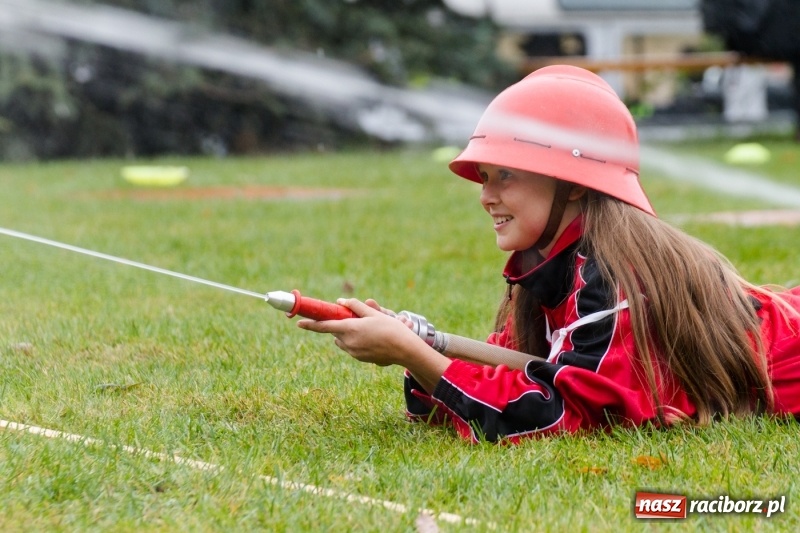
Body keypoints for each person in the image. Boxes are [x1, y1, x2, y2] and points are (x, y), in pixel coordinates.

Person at [298, 65, 800, 443]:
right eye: (486, 177)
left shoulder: (614, 280)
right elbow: (507, 378)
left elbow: (554, 415)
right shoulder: (555, 263)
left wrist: (413, 354)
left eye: (506, 175)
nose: (485, 195)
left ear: (574, 186)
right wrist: (420, 347)